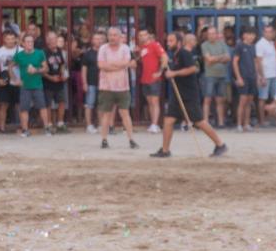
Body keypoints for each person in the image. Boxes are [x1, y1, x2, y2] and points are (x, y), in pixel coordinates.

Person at [153, 29, 227, 157]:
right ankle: (165, 150)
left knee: (199, 122)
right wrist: (162, 72)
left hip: (189, 94)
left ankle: (220, 144)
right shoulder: (174, 55)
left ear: (179, 42)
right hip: (178, 95)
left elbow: (193, 68)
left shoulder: (184, 53)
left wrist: (174, 73)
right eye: (168, 41)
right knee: (169, 121)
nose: (168, 43)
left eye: (171, 41)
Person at [94, 26, 140, 150]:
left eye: (115, 35)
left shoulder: (125, 48)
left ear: (120, 37)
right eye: (110, 35)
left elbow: (128, 63)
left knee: (125, 113)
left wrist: (113, 65)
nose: (112, 37)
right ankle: (104, 139)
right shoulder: (103, 48)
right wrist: (122, 66)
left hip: (123, 87)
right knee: (106, 114)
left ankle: (131, 140)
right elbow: (101, 65)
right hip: (106, 86)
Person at [15, 29, 49, 136]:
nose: (30, 43)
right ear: (23, 43)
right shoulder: (19, 55)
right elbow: (11, 67)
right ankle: (25, 130)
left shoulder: (40, 53)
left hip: (37, 85)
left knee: (42, 107)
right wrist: (16, 79)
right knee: (24, 108)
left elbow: (46, 68)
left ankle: (47, 128)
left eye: (31, 42)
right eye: (28, 42)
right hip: (25, 86)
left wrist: (36, 70)